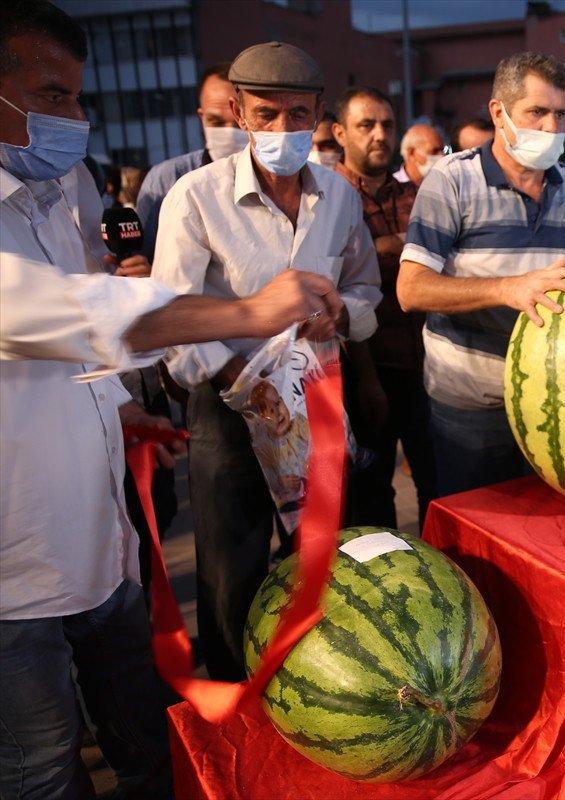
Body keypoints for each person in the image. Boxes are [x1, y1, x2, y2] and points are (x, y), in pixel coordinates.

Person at [0, 4, 342, 795]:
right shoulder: (186, 192)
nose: (74, 119)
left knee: (146, 732)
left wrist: (119, 410)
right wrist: (248, 316)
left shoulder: (62, 185)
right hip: (16, 571)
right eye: (51, 96)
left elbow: (92, 315)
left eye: (78, 99)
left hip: (100, 533)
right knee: (44, 764)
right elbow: (54, 313)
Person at [152, 40, 382, 681]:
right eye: (265, 114)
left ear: (320, 116)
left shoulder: (336, 197)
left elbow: (366, 289)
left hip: (317, 398)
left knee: (317, 553)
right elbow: (172, 315)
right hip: (230, 408)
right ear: (239, 111)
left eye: (298, 115)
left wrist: (338, 314)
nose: (283, 129)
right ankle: (237, 699)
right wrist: (241, 381)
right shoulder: (195, 199)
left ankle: (316, 683)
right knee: (233, 565)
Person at [397, 51, 565, 497]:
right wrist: (509, 288)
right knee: (472, 543)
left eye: (559, 113)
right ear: (499, 112)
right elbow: (411, 290)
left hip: (555, 407)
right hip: (471, 412)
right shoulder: (452, 181)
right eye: (536, 112)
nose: (552, 128)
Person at [331, 86, 438, 529]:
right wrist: (391, 246)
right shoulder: (327, 197)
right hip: (365, 370)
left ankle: (449, 588)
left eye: (387, 125)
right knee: (372, 495)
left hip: (426, 366)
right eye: (366, 125)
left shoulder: (414, 195)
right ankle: (388, 593)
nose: (379, 135)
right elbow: (335, 280)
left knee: (437, 486)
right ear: (340, 132)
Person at [137, 62, 245, 262]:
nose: (229, 132)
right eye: (217, 122)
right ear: (201, 118)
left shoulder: (277, 180)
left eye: (239, 121)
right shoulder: (166, 180)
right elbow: (143, 256)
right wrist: (148, 275)